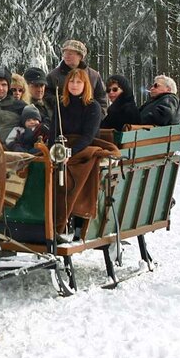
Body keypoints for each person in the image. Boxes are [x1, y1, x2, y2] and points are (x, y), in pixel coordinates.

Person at [52, 68, 102, 242]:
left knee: (74, 173)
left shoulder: (92, 106)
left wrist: (70, 152)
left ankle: (76, 219)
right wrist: (56, 149)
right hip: (62, 146)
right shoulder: (61, 104)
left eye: (78, 82)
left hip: (84, 147)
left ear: (85, 84)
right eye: (72, 82)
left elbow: (88, 137)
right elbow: (54, 132)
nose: (74, 85)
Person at [46, 40, 108, 116]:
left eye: (70, 54)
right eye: (64, 53)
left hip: (89, 120)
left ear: (80, 56)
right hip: (63, 121)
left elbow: (102, 98)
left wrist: (98, 116)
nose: (66, 56)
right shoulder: (54, 75)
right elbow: (46, 96)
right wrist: (59, 102)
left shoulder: (93, 75)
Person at [23, 66, 54, 142]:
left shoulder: (50, 102)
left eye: (42, 85)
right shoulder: (24, 105)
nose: (40, 89)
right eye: (35, 86)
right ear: (26, 86)